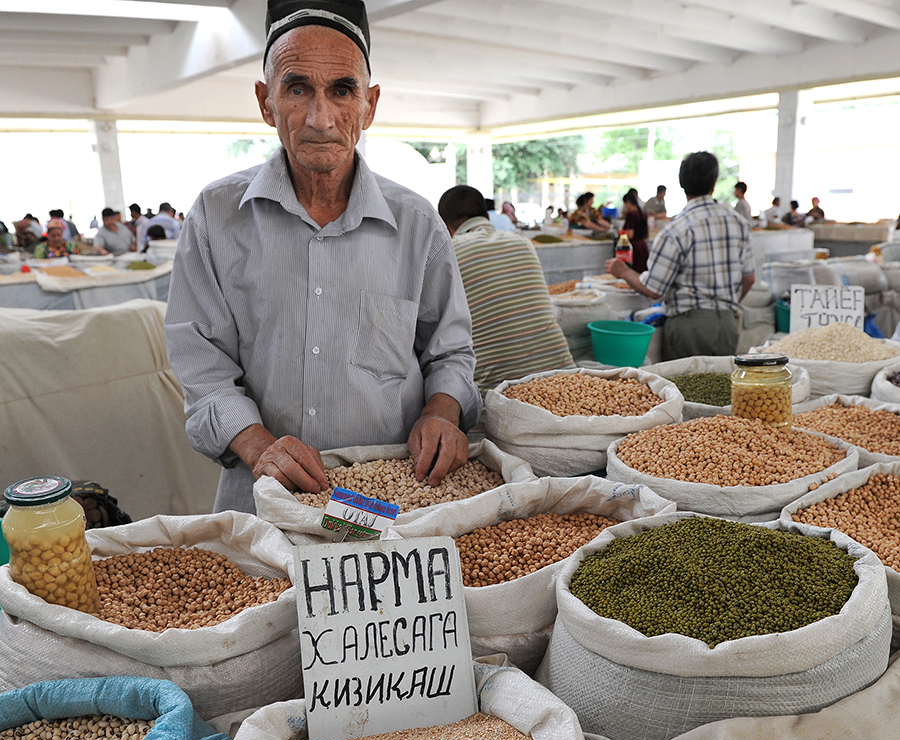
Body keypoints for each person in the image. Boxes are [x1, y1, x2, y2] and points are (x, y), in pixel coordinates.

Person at [164, 0, 481, 515]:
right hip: (266, 501)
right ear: (266, 102)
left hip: (392, 505)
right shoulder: (216, 217)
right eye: (297, 89)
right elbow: (201, 366)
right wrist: (258, 446)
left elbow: (449, 352)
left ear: (369, 106)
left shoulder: (417, 223)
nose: (321, 118)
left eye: (342, 90)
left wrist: (442, 413)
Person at [605, 151, 754, 361]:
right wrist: (724, 306)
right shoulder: (738, 223)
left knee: (684, 382)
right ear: (714, 183)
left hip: (688, 327)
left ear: (682, 184)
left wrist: (623, 272)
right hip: (727, 324)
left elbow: (653, 289)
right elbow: (749, 278)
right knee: (720, 381)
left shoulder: (676, 229)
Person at [438, 185, 574, 396]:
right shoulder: (523, 242)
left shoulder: (448, 252)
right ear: (487, 216)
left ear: (445, 225)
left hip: (498, 393)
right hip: (564, 379)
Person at [621, 189, 649, 273]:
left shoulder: (631, 215)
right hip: (643, 247)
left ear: (628, 202)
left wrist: (619, 232)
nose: (625, 206)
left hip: (634, 249)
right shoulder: (643, 214)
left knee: (633, 273)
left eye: (625, 204)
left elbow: (630, 234)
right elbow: (647, 234)